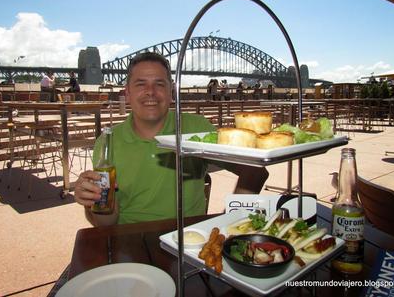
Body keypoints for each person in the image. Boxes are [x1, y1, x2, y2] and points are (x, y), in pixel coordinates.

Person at [74, 52, 268, 226]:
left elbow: (255, 171)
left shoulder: (196, 129)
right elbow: (106, 224)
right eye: (141, 84)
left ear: (171, 92)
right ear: (127, 93)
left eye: (159, 84)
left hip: (189, 242)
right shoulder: (108, 141)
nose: (150, 92)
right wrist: (92, 202)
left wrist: (231, 220)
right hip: (130, 241)